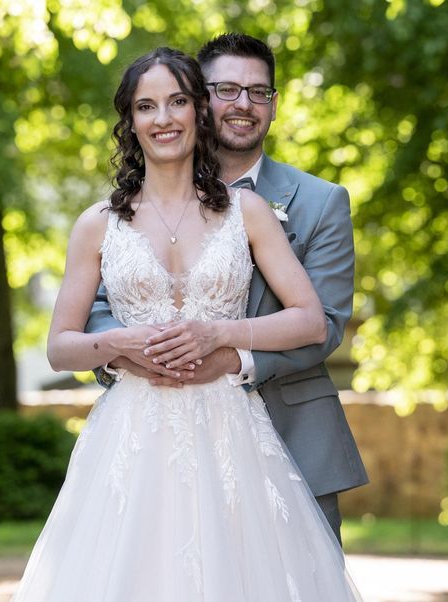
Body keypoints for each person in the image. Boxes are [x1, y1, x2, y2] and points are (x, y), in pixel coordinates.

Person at [12, 47, 361, 601]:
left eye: (176, 102)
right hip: (132, 438)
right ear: (129, 120)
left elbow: (316, 320)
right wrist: (119, 346)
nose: (163, 117)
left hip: (234, 432)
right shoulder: (97, 224)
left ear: (196, 112)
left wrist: (221, 337)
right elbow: (61, 344)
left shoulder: (251, 212)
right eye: (146, 106)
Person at [88, 33, 368, 541]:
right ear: (201, 99)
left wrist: (232, 357)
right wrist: (130, 355)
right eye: (228, 89)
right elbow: (102, 305)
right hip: (156, 433)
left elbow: (323, 323)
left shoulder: (320, 202)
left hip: (293, 436)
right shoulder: (135, 204)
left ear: (274, 105)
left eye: (258, 92)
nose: (243, 104)